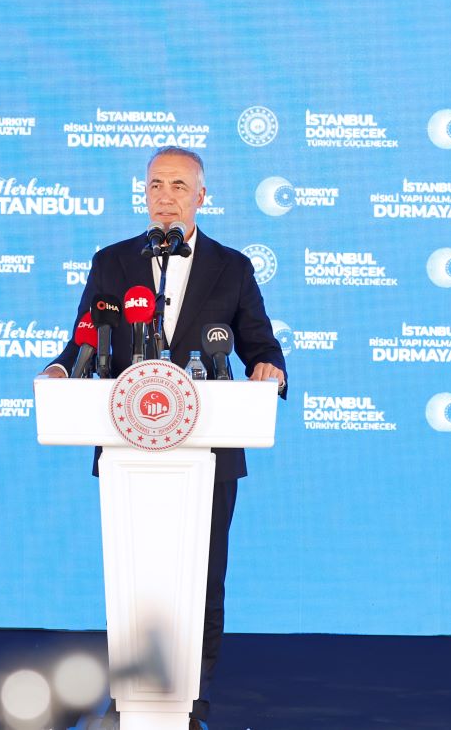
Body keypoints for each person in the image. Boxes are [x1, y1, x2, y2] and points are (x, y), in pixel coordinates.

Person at [40, 147, 287, 730]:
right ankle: (132, 698)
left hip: (209, 451)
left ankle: (191, 698)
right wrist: (59, 369)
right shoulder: (112, 262)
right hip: (129, 450)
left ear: (202, 196)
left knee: (202, 578)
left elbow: (260, 343)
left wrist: (270, 369)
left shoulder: (232, 267)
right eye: (155, 185)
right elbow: (84, 339)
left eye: (179, 186)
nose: (165, 196)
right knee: (137, 577)